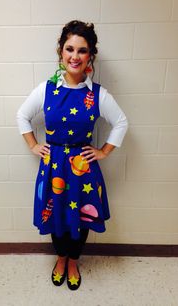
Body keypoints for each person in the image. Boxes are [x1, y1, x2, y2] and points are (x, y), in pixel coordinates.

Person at [17, 20, 128, 290]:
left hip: (83, 168)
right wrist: (34, 145)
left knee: (81, 218)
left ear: (90, 55)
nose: (74, 56)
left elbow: (121, 122)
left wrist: (103, 151)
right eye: (69, 49)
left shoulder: (97, 94)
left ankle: (74, 261)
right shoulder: (46, 89)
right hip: (53, 166)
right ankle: (61, 258)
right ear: (61, 52)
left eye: (82, 50)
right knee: (56, 216)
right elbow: (22, 115)